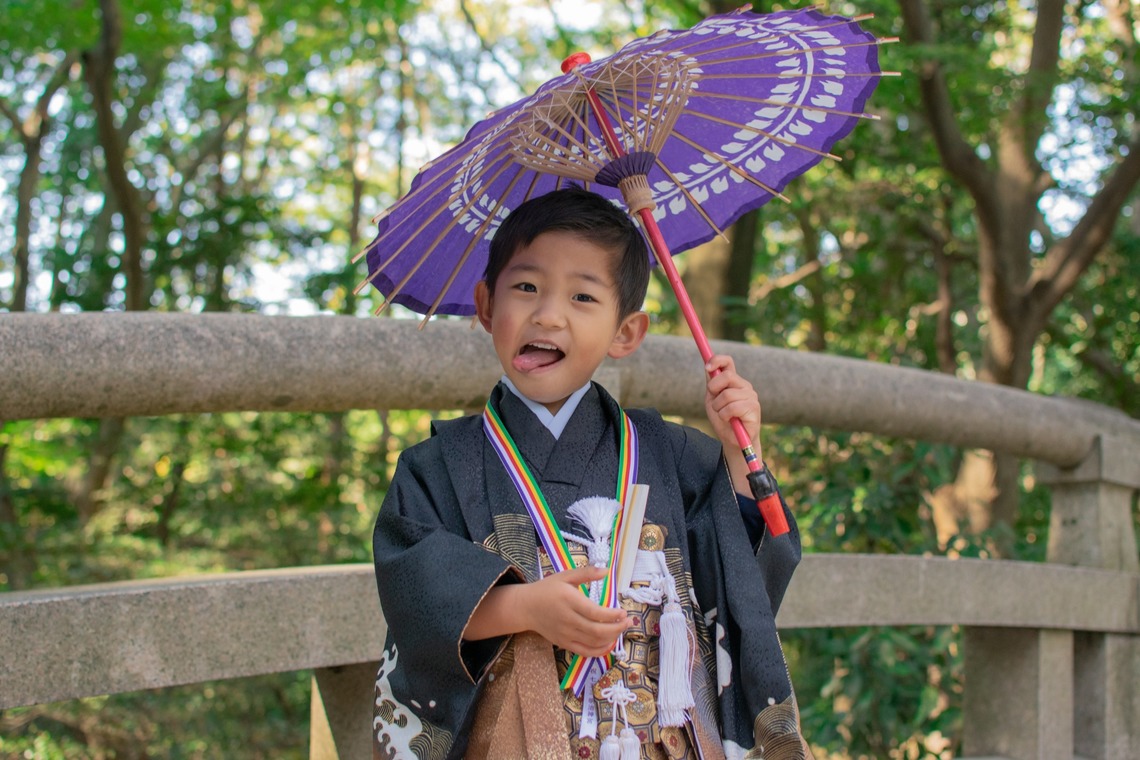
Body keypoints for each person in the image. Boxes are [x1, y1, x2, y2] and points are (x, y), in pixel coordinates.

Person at [371, 187, 806, 760]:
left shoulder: (672, 452)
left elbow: (741, 571)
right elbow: (413, 591)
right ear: (485, 305)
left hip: (654, 734)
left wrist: (736, 452)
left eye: (582, 296)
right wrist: (523, 608)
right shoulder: (438, 466)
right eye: (526, 287)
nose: (547, 314)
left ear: (625, 333)